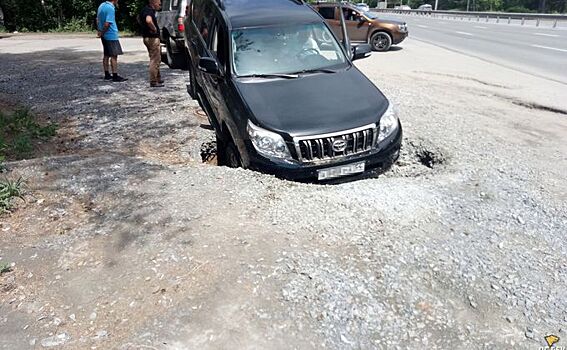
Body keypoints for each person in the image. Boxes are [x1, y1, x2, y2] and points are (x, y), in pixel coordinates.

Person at [97, 0, 127, 82]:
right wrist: (103, 32)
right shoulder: (110, 8)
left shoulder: (101, 5)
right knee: (114, 56)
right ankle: (115, 75)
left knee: (106, 54)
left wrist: (100, 31)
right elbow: (107, 23)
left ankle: (107, 74)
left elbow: (97, 19)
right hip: (111, 35)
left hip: (104, 36)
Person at [139, 0, 163, 87]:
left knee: (156, 58)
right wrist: (154, 29)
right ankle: (153, 81)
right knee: (155, 60)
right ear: (153, 3)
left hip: (146, 37)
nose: (160, 4)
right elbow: (148, 20)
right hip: (152, 38)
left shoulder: (144, 10)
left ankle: (158, 78)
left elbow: (138, 18)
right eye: (158, 3)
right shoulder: (149, 11)